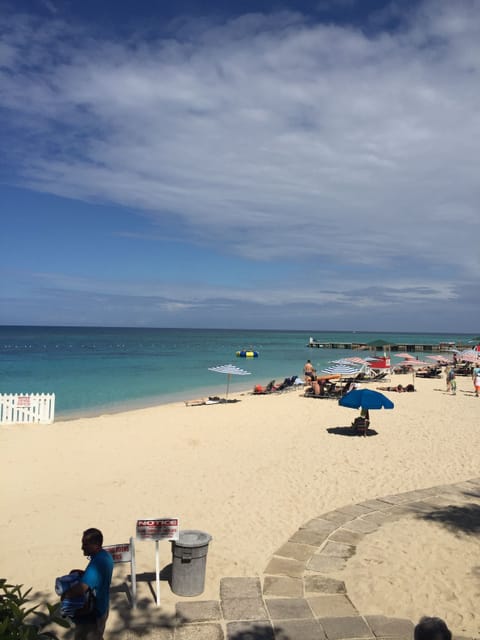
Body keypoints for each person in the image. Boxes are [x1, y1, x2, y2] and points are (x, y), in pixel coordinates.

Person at [62, 528, 114, 640]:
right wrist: (83, 573)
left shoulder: (96, 563)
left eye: (85, 544)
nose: (82, 547)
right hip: (103, 607)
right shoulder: (106, 556)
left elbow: (82, 588)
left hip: (94, 614)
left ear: (95, 544)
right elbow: (98, 577)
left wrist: (65, 595)